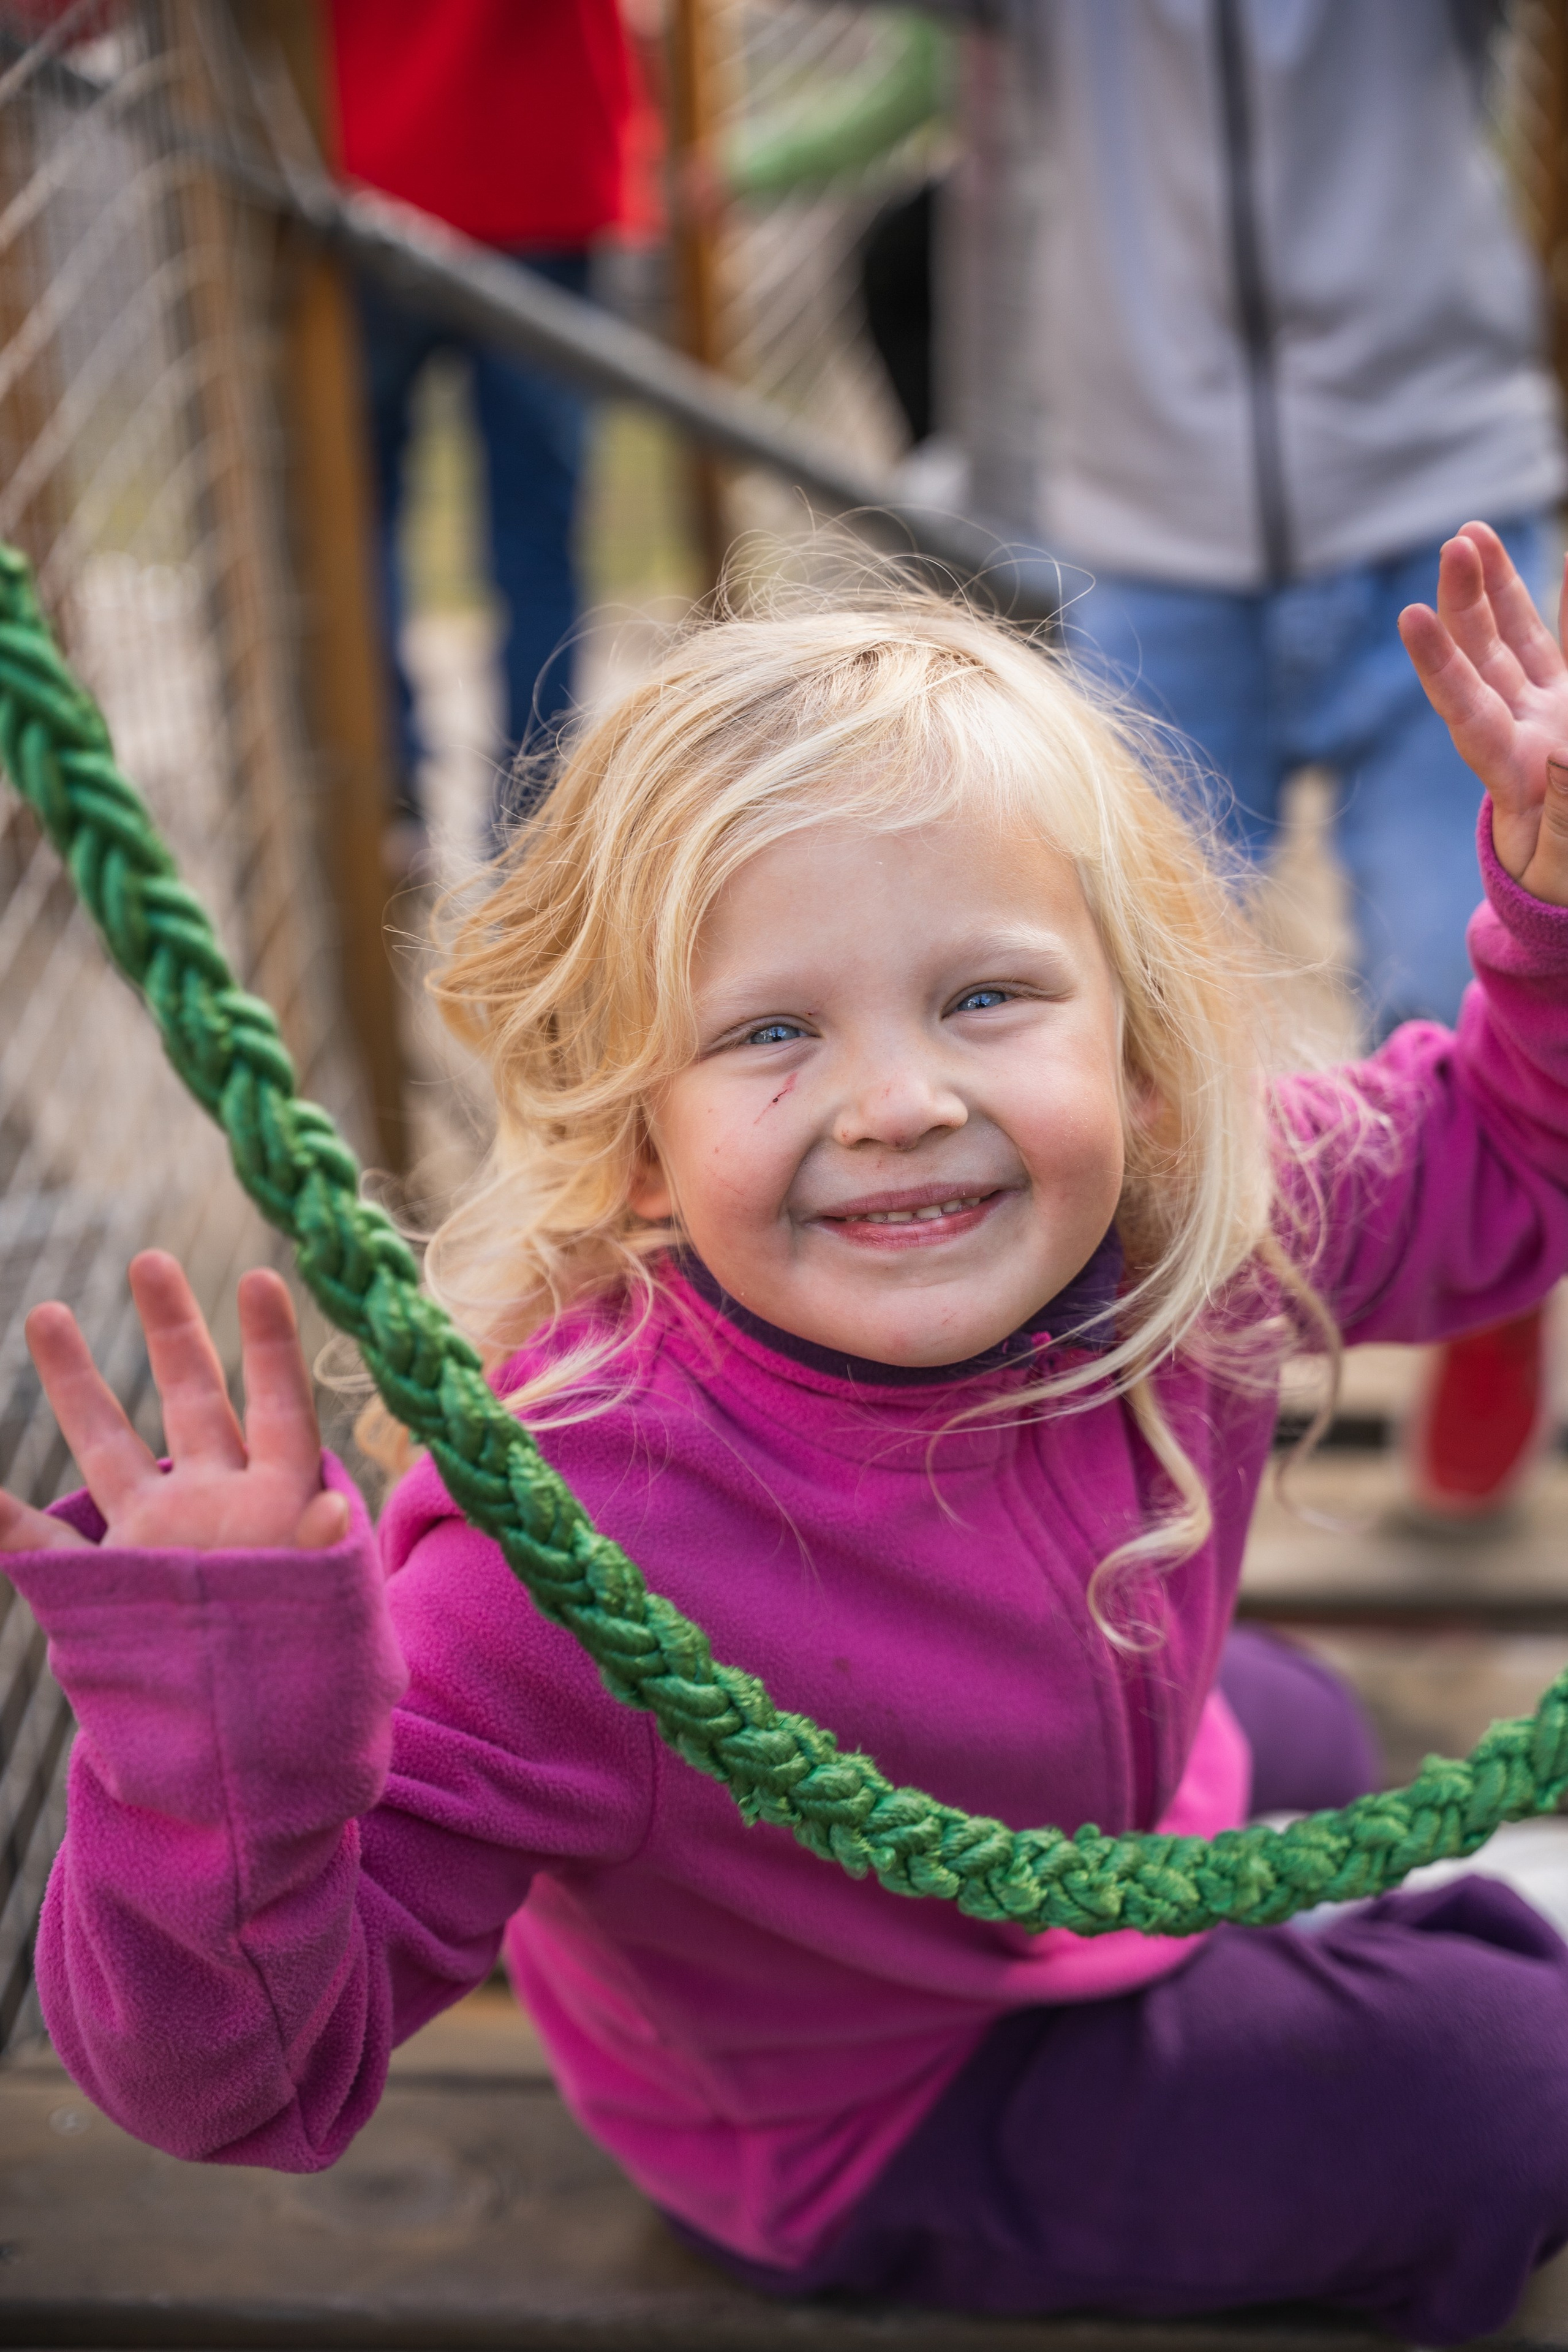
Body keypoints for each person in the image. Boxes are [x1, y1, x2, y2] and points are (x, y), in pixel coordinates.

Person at [8, 526, 1568, 2342]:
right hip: (866, 2097)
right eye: (768, 1032)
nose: (901, 1104)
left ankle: (1288, 1945)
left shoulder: (1182, 1208)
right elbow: (239, 2083)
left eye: (987, 997)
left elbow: (1507, 1162)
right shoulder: (567, 1558)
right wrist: (225, 1732)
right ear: (640, 1128)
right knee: (1512, 2080)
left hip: (1105, 1822)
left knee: (1300, 1712)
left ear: (1138, 1046)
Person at [324, 0, 639, 853]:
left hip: (366, 161)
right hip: (537, 163)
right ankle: (534, 832)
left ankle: (388, 792)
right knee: (537, 535)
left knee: (359, 505)